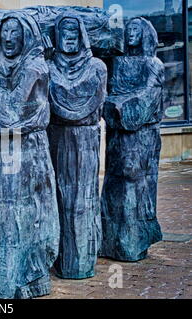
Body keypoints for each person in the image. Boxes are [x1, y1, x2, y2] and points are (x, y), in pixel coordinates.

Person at [0, 12, 60, 299]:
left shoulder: (35, 67)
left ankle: (25, 279)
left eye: (15, 32)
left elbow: (13, 109)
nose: (9, 38)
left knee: (25, 212)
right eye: (4, 32)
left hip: (26, 152)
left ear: (26, 35)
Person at [47, 14, 107, 279]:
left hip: (85, 138)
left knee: (82, 199)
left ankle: (80, 262)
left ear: (81, 34)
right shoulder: (47, 66)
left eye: (74, 30)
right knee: (57, 197)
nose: (69, 36)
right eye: (64, 30)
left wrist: (68, 109)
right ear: (56, 36)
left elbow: (94, 102)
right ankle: (58, 258)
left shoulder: (97, 67)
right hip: (55, 137)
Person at [101, 17, 164, 261]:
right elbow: (105, 95)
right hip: (117, 136)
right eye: (128, 29)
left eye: (137, 29)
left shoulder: (153, 64)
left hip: (142, 136)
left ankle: (132, 240)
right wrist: (116, 106)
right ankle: (110, 241)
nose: (131, 34)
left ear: (146, 33)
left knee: (135, 184)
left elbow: (146, 99)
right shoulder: (116, 63)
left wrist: (117, 106)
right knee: (114, 183)